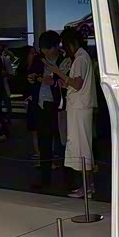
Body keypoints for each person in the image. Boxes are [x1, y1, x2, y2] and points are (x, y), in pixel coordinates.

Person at [46, 29, 98, 198]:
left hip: (79, 108)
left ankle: (87, 188)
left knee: (82, 148)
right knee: (82, 147)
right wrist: (66, 82)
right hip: (79, 107)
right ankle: (88, 186)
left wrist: (59, 73)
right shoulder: (82, 58)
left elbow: (77, 84)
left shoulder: (81, 59)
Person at [30, 32, 63, 189]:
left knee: (62, 141)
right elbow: (30, 74)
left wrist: (53, 81)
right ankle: (45, 178)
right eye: (43, 49)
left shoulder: (64, 59)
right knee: (44, 142)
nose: (46, 53)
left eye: (49, 49)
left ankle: (69, 177)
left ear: (56, 46)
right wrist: (33, 78)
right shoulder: (39, 60)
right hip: (41, 104)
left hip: (59, 105)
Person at [22, 46, 41, 161]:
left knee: (39, 128)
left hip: (37, 101)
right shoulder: (25, 70)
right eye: (31, 53)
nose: (34, 55)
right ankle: (38, 152)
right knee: (35, 129)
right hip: (32, 102)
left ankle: (41, 152)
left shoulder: (38, 68)